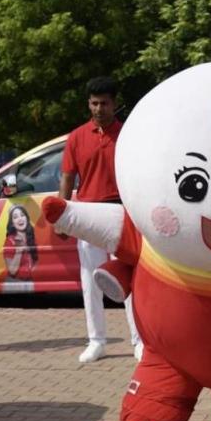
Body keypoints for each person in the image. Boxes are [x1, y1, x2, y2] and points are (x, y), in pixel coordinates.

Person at [58, 76, 141, 364]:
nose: (98, 108)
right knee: (90, 279)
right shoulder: (77, 137)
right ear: (88, 104)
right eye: (94, 103)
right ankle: (96, 340)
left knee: (130, 278)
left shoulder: (129, 134)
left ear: (114, 104)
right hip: (89, 214)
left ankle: (138, 340)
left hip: (123, 212)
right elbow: (67, 176)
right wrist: (63, 217)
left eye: (104, 103)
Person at [4, 204, 37, 280]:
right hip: (16, 282)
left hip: (31, 280)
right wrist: (19, 251)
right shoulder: (10, 240)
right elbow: (12, 271)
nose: (20, 219)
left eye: (22, 215)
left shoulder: (31, 236)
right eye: (15, 217)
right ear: (12, 223)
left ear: (27, 218)